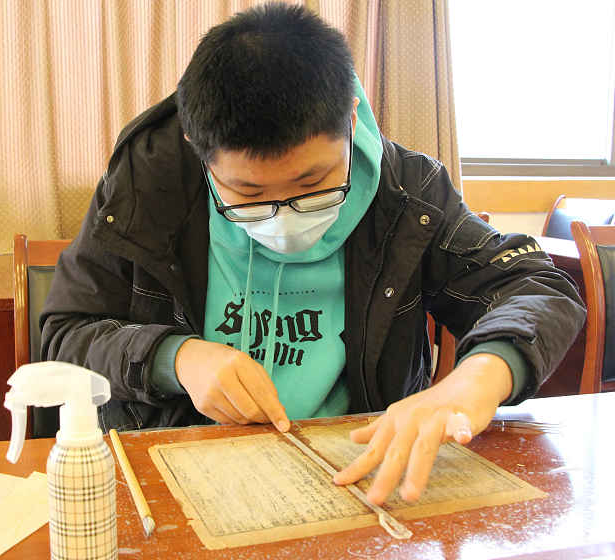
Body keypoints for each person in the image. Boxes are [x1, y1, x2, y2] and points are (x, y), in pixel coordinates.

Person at [40, 2, 585, 506]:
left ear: (350, 120)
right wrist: (176, 358)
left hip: (358, 475)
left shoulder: (407, 193)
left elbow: (535, 288)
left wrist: (473, 382)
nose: (284, 215)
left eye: (315, 183)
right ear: (196, 149)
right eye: (248, 195)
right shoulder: (148, 184)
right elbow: (66, 332)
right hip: (180, 471)